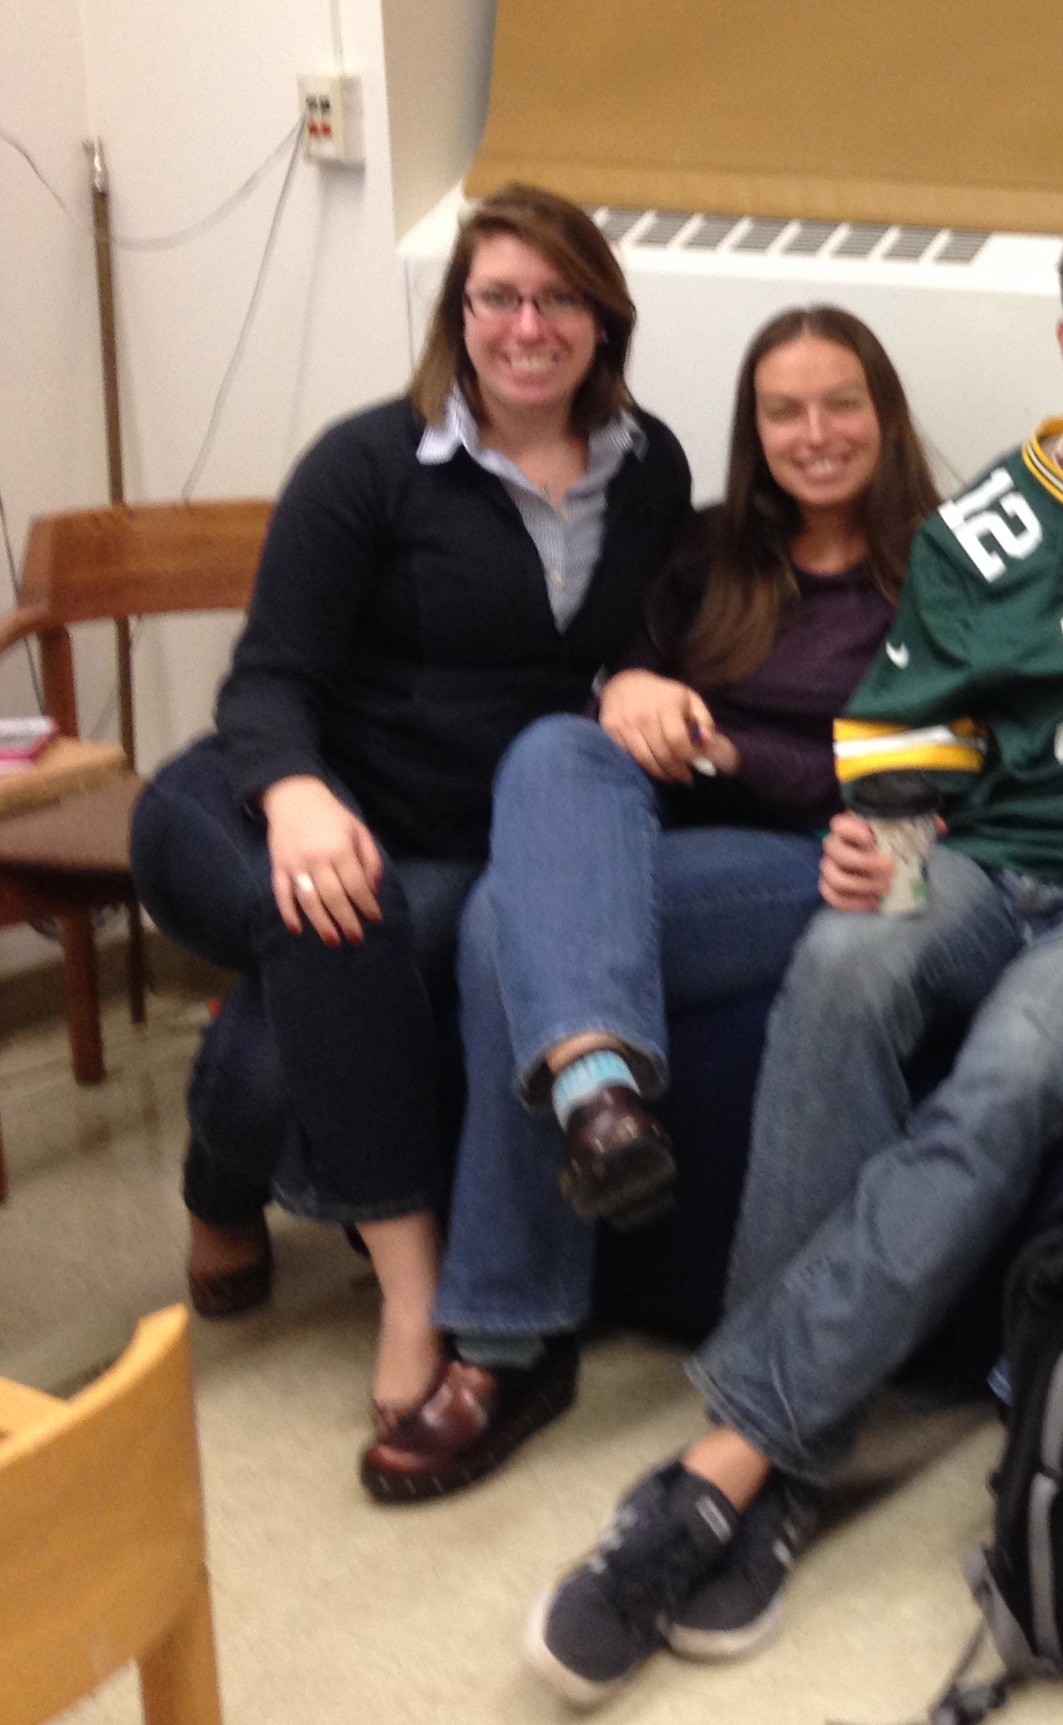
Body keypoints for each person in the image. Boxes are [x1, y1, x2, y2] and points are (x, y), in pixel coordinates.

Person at [522, 207, 1063, 1705]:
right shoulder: (986, 526)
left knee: (1011, 1077)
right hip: (974, 859)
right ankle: (781, 1454)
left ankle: (742, 1469)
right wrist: (871, 863)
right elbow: (909, 742)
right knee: (838, 974)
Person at [127, 184, 689, 1473]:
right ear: (459, 313)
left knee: (306, 1003)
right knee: (331, 913)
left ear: (604, 321)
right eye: (499, 297)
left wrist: (634, 680)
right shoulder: (369, 464)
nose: (528, 326)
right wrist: (298, 796)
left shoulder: (649, 467)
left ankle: (221, 1180)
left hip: (448, 837)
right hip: (254, 797)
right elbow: (267, 680)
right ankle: (410, 1288)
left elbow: (624, 645)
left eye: (560, 298)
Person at [353, 307, 943, 1503]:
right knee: (552, 757)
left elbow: (954, 755)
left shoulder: (943, 565)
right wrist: (627, 692)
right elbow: (615, 691)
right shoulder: (710, 549)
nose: (815, 433)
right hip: (670, 849)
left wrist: (731, 754)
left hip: (821, 865)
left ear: (884, 418)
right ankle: (597, 1097)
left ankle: (505, 1342)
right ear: (753, 431)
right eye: (783, 411)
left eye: (840, 405)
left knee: (502, 926)